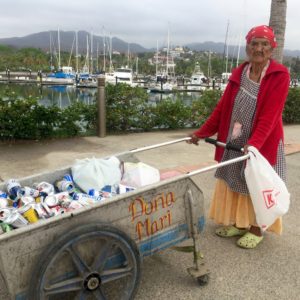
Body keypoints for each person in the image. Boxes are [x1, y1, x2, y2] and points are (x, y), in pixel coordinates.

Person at [187, 25, 290, 249]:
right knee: (235, 180)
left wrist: (254, 145)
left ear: (272, 49)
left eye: (264, 44)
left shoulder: (279, 76)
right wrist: (201, 133)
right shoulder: (239, 73)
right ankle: (240, 223)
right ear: (247, 48)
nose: (259, 48)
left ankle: (256, 227)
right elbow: (222, 109)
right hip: (236, 138)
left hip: (263, 141)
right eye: (255, 43)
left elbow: (270, 116)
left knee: (256, 183)